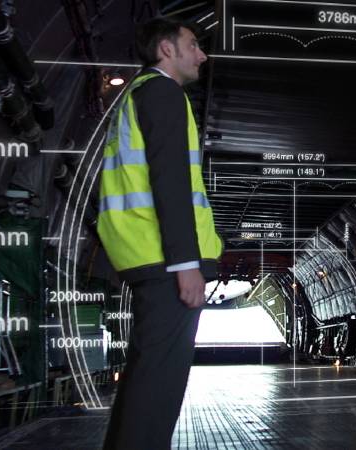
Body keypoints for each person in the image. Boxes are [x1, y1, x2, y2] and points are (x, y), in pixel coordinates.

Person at [97, 17, 222, 449]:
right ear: (166, 50)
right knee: (158, 384)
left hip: (146, 255)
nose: (202, 54)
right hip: (164, 259)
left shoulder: (137, 96)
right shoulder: (162, 93)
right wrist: (186, 264)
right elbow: (170, 181)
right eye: (193, 45)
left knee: (148, 376)